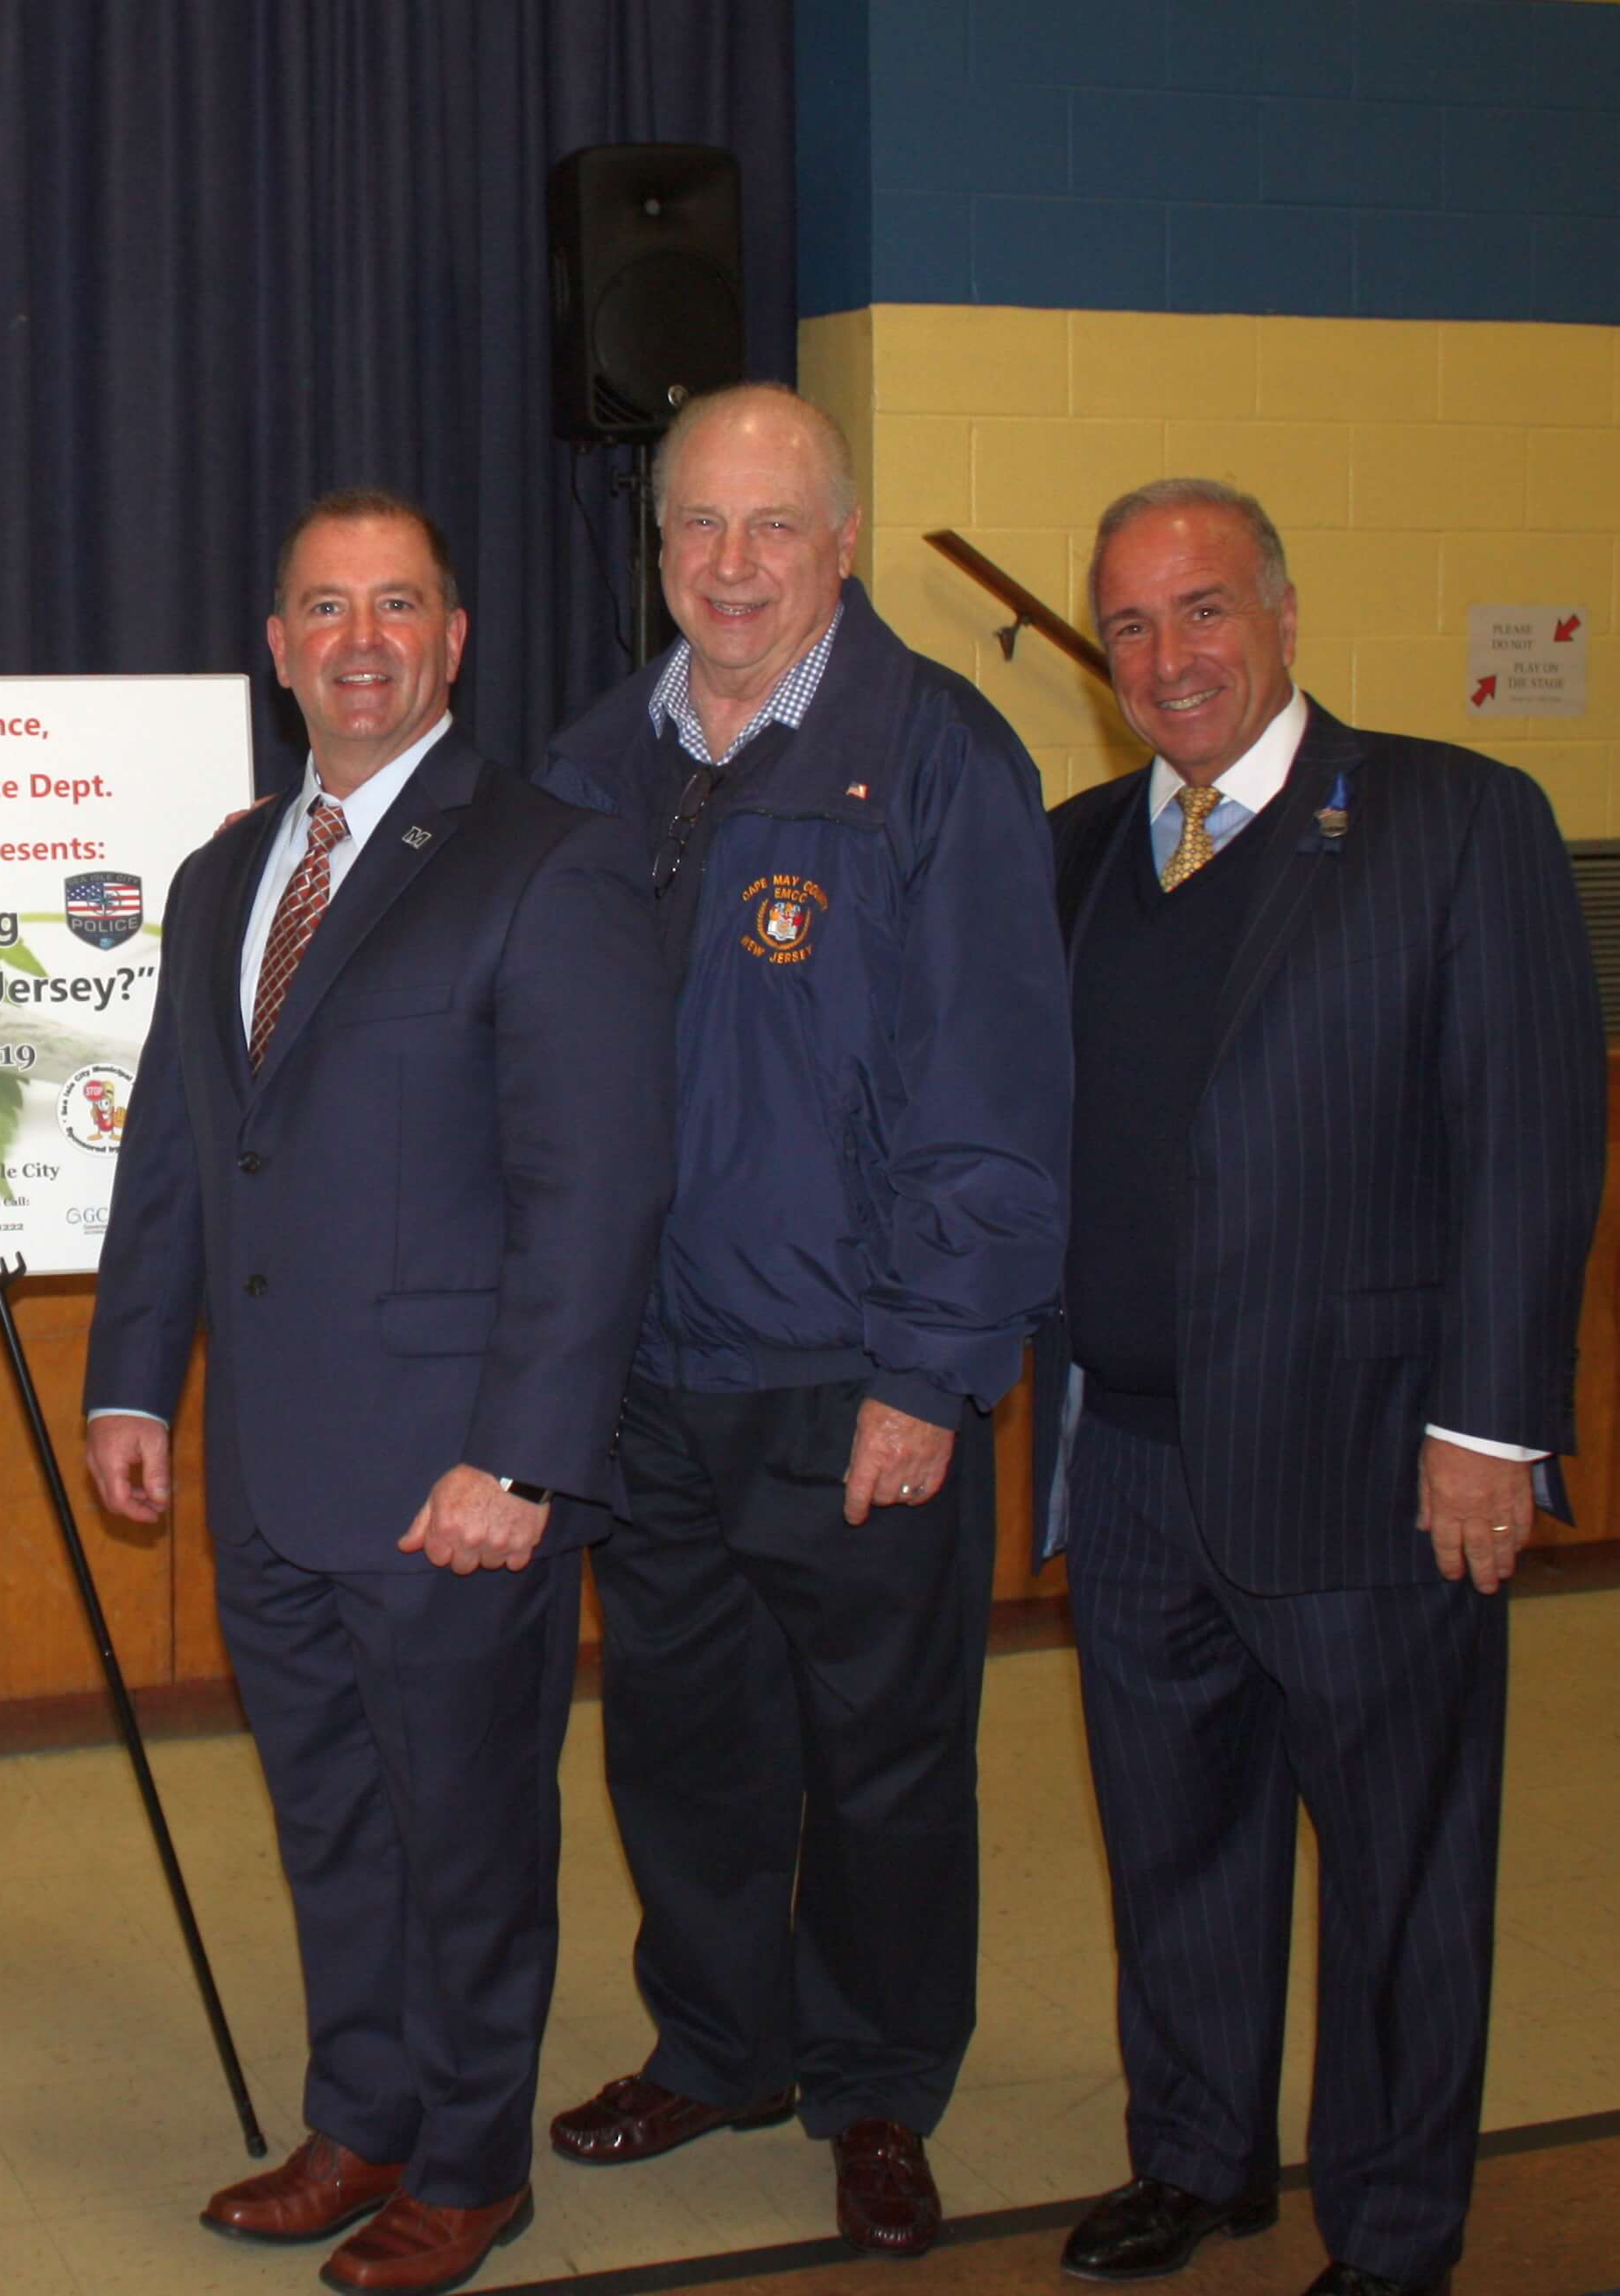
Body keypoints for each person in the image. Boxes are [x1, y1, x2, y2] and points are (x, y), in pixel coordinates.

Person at [84, 492, 674, 2296]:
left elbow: (597, 1191)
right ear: (276, 649)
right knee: (331, 1816)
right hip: (270, 1468)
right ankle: (361, 2116)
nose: (358, 638)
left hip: (452, 1480)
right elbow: (182, 1160)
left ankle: (473, 2159)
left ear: (452, 637)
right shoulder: (217, 876)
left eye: (395, 604)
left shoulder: (542, 857)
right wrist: (132, 1384)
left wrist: (519, 1455)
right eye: (323, 608)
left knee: (467, 1829)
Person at [1034, 480, 1606, 2296]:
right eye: (1128, 626)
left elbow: (1527, 1137)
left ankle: (1393, 2230)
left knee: (1398, 1881)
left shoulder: (1451, 820)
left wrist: (1489, 1427)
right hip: (1126, 1460)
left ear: (1282, 609)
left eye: (1201, 610)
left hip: (1374, 1467)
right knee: (1174, 1844)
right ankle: (1198, 2154)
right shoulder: (1071, 851)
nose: (1166, 656)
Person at [531, 383, 1070, 2259]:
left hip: (856, 1383)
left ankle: (872, 2086)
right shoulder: (594, 763)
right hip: (647, 1389)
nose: (733, 564)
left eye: (773, 526)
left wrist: (929, 1372)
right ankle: (717, 2045)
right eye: (697, 525)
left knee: (885, 1765)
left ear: (841, 541)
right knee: (681, 1747)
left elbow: (993, 1106)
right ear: (655, 546)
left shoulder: (937, 759)